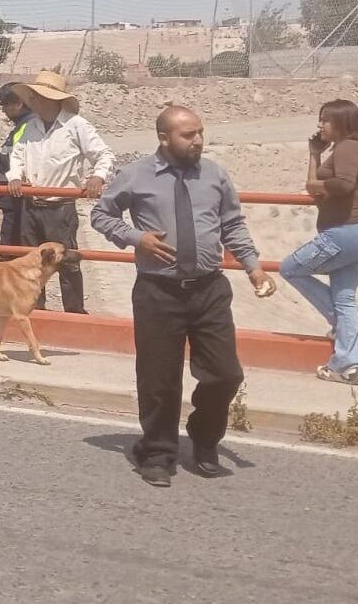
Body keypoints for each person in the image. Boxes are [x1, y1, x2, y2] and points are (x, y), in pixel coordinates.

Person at [91, 106, 276, 487]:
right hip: (158, 293)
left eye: (200, 133)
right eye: (188, 135)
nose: (198, 141)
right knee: (159, 380)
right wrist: (135, 238)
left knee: (226, 374)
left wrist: (254, 267)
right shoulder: (137, 174)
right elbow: (101, 214)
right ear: (164, 138)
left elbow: (232, 225)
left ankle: (204, 438)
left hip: (209, 290)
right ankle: (157, 451)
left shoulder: (214, 174)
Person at [279, 99, 358, 386]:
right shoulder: (347, 149)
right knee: (344, 298)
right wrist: (314, 155)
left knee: (290, 268)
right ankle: (348, 367)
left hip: (343, 233)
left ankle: (353, 318)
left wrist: (316, 186)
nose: (320, 125)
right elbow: (314, 188)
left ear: (343, 123)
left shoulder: (348, 147)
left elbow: (343, 184)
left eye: (326, 120)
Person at [7, 70, 114, 313]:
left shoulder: (77, 126)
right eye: (32, 96)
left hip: (61, 208)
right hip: (31, 204)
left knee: (67, 263)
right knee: (32, 262)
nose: (33, 101)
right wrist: (15, 176)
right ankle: (35, 310)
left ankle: (74, 313)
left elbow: (104, 154)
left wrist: (98, 176)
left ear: (51, 99)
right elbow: (17, 156)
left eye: (37, 96)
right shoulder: (29, 127)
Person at [0, 83, 33, 257]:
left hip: (18, 199)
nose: (4, 110)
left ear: (19, 104)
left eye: (6, 105)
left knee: (11, 247)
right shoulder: (23, 126)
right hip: (14, 197)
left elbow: (11, 161)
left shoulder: (28, 127)